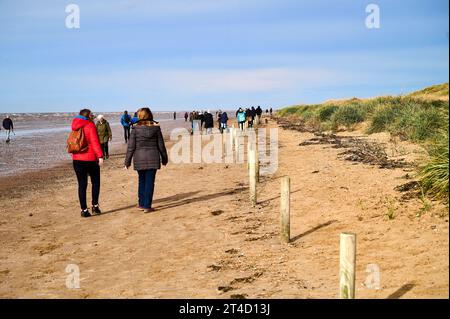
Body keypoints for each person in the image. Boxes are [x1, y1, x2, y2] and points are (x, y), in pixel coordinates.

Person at [124, 107, 168, 213]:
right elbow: (161, 145)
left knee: (142, 181)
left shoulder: (134, 129)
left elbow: (131, 147)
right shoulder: (156, 128)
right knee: (149, 182)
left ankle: (142, 204)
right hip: (153, 158)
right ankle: (147, 205)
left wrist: (127, 162)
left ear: (139, 117)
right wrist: (164, 158)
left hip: (139, 158)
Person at [71, 109, 104, 218]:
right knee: (95, 182)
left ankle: (84, 210)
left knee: (82, 185)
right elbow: (95, 142)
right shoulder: (90, 125)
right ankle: (95, 206)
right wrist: (100, 156)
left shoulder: (75, 125)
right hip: (90, 159)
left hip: (76, 159)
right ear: (89, 116)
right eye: (92, 115)